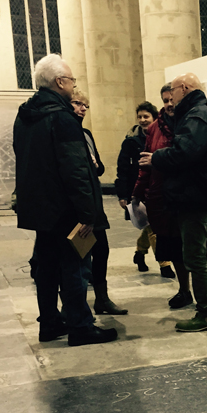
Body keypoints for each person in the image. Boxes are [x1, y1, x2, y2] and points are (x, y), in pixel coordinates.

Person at [13, 54, 117, 346]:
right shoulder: (62, 118)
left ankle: (49, 323)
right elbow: (75, 170)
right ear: (60, 82)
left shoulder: (25, 116)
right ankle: (80, 327)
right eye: (71, 80)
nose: (73, 85)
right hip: (65, 209)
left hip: (39, 208)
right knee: (75, 266)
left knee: (46, 266)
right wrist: (88, 213)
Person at [139, 73, 207, 332]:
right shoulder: (200, 113)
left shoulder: (196, 116)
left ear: (183, 88)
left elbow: (185, 153)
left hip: (194, 197)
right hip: (201, 195)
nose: (171, 97)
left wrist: (156, 158)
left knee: (195, 258)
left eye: (172, 91)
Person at [133, 84, 191, 309]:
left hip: (186, 196)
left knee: (195, 249)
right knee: (173, 248)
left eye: (171, 99)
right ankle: (184, 290)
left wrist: (159, 158)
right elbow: (144, 163)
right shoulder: (155, 128)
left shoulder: (189, 122)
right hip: (162, 198)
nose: (169, 104)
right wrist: (137, 193)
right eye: (165, 100)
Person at [71, 90, 127, 316]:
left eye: (85, 105)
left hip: (94, 204)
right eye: (77, 103)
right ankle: (73, 307)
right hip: (78, 206)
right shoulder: (67, 133)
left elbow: (100, 168)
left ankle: (102, 299)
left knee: (101, 250)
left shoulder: (86, 134)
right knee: (78, 256)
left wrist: (95, 165)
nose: (82, 109)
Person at [116, 102, 174, 279]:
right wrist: (123, 194)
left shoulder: (162, 136)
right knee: (153, 228)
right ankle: (165, 264)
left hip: (157, 187)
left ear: (154, 117)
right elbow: (122, 169)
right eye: (139, 117)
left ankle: (140, 252)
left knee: (150, 225)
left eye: (146, 116)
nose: (142, 120)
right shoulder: (130, 142)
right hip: (138, 189)